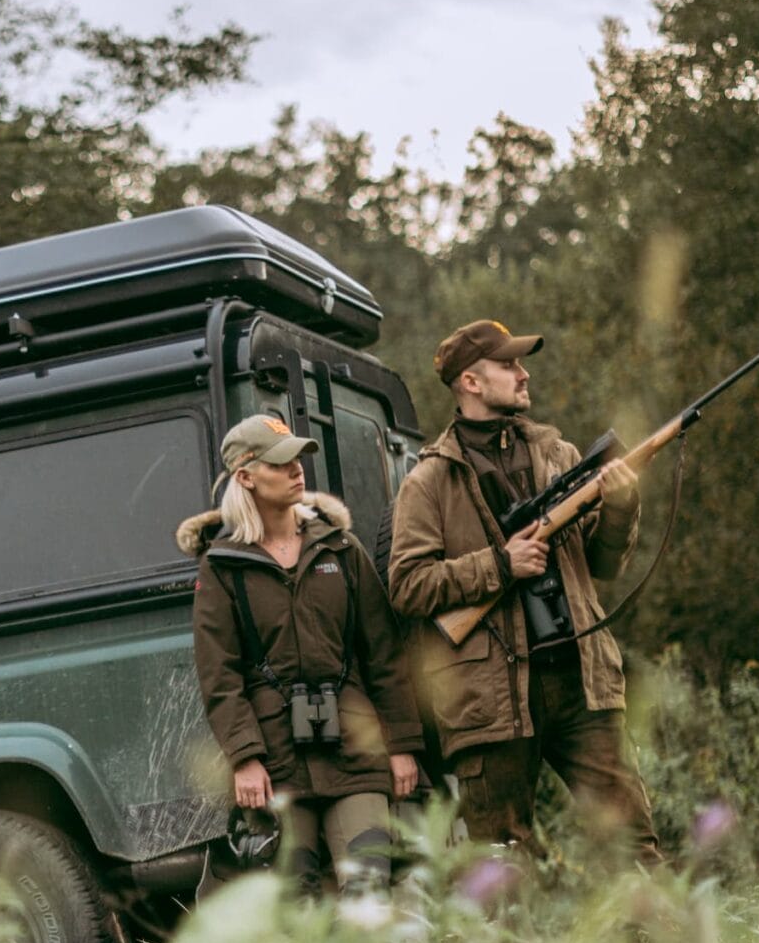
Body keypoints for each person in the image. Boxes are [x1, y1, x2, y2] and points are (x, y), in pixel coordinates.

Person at [386, 319, 657, 856]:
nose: (523, 373)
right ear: (471, 382)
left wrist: (623, 506)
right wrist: (500, 566)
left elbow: (603, 566)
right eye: (508, 365)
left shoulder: (558, 455)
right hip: (490, 700)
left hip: (581, 681)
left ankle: (658, 942)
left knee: (633, 842)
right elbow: (407, 585)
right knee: (505, 863)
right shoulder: (430, 482)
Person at [179, 413, 427, 891]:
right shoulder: (223, 568)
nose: (297, 470)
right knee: (298, 906)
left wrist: (401, 745)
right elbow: (219, 676)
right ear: (246, 477)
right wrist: (244, 758)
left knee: (369, 887)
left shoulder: (342, 549)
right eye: (281, 462)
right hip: (276, 764)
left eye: (298, 459)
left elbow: (383, 655)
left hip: (356, 751)